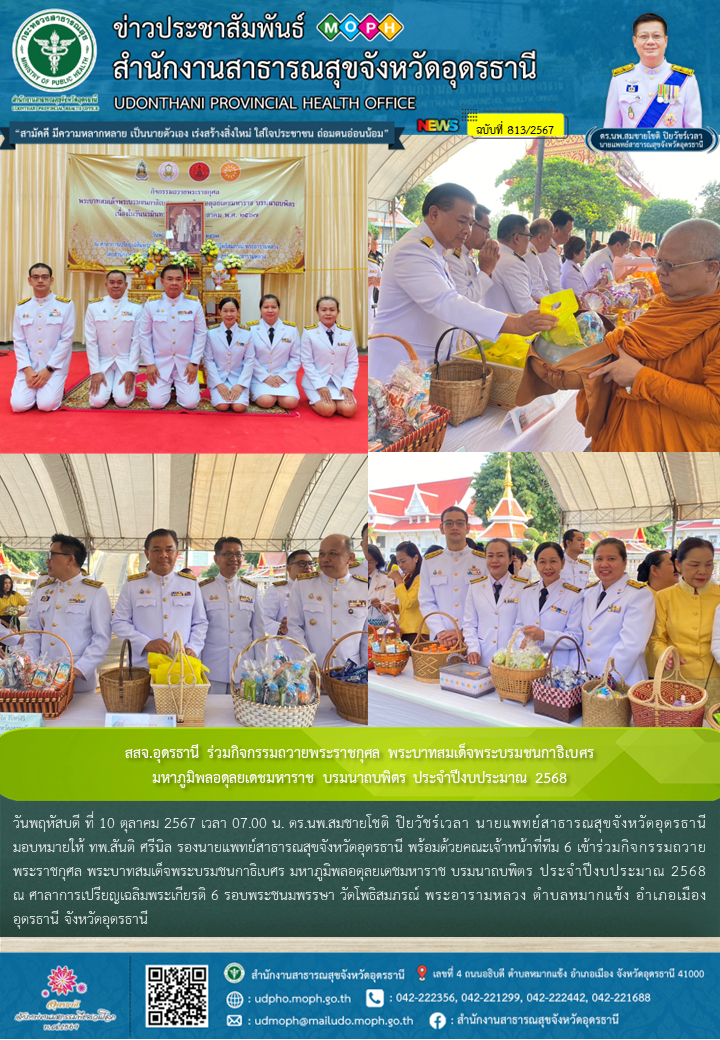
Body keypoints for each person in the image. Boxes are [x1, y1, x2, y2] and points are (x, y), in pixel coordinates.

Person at [369, 183, 557, 380]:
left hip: (422, 363)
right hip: (399, 365)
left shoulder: (437, 251)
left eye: (470, 224)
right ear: (434, 214)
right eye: (462, 221)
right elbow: (446, 302)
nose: (467, 230)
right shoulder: (413, 250)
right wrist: (515, 325)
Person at [585, 218, 720, 449]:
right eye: (659, 261)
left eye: (671, 266)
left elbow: (715, 405)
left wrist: (640, 378)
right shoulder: (660, 306)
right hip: (623, 436)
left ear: (711, 269)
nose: (659, 271)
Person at [23, 534, 111, 694]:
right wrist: (29, 664)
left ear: (70, 559)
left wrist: (79, 669)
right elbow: (33, 633)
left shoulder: (94, 591)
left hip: (77, 683)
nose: (47, 561)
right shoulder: (44, 589)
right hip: (41, 680)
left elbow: (101, 638)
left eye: (51, 555)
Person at [111, 528, 208, 668]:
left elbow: (200, 622)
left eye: (169, 550)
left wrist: (193, 647)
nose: (163, 555)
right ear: (147, 554)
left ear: (177, 553)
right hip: (143, 666)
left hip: (181, 665)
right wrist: (146, 643)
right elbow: (119, 622)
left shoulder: (190, 584)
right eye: (157, 550)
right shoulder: (133, 585)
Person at [604, 13, 702, 129]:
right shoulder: (619, 80)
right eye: (644, 36)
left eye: (656, 36)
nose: (650, 42)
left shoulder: (686, 80)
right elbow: (610, 133)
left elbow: (694, 134)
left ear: (665, 41)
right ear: (634, 41)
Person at [649, 537, 720, 697]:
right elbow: (656, 639)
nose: (703, 571)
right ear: (678, 565)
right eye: (694, 565)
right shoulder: (664, 597)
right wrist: (664, 654)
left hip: (716, 677)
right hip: (676, 677)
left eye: (709, 564)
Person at [580, 537, 655, 682]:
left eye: (612, 559)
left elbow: (631, 645)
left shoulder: (639, 594)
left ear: (625, 562)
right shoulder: (588, 593)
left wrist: (608, 678)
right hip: (588, 677)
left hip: (622, 679)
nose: (604, 564)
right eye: (599, 559)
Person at [286, 533, 368, 667]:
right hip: (315, 668)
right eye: (321, 554)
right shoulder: (303, 584)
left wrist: (364, 670)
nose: (324, 559)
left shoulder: (363, 587)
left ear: (350, 558)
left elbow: (365, 635)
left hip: (351, 671)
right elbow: (295, 626)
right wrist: (307, 665)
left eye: (333, 554)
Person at [199, 537, 265, 694]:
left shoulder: (252, 590)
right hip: (212, 668)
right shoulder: (203, 589)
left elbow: (259, 632)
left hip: (245, 669)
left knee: (244, 716)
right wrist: (196, 668)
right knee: (212, 715)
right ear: (216, 559)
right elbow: (198, 631)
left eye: (238, 554)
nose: (234, 559)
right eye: (228, 554)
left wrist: (260, 669)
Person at [139, 264, 206, 410]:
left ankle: (178, 386)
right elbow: (144, 335)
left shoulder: (194, 304)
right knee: (156, 404)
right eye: (170, 279)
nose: (174, 283)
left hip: (185, 364)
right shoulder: (152, 304)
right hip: (160, 364)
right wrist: (149, 363)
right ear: (162, 281)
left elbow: (201, 334)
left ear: (184, 282)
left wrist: (194, 362)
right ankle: (168, 386)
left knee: (191, 403)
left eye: (178, 279)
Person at [11, 263, 75, 412]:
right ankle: (39, 389)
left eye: (44, 277)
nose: (40, 280)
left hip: (54, 367)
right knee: (18, 406)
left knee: (46, 405)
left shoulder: (65, 306)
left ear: (51, 280)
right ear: (29, 281)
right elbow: (19, 341)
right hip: (29, 366)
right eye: (36, 277)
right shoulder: (22, 307)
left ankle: (57, 386)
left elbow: (66, 341)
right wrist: (27, 370)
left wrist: (49, 369)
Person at [419, 507, 487, 646]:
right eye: (449, 523)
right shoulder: (430, 562)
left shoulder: (482, 561)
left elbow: (487, 602)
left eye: (460, 523)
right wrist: (441, 632)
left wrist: (463, 632)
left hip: (474, 639)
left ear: (467, 528)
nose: (454, 527)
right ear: (442, 528)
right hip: (442, 641)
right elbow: (426, 601)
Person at [516, 541, 584, 667]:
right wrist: (521, 641)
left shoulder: (574, 596)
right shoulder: (527, 592)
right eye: (542, 562)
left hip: (556, 668)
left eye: (553, 561)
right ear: (536, 564)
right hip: (527, 666)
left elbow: (575, 637)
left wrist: (544, 636)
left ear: (562, 563)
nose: (548, 567)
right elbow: (518, 626)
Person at [465, 538, 528, 666]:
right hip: (482, 657)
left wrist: (515, 651)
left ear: (510, 559)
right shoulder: (475, 587)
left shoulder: (523, 588)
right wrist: (473, 648)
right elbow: (469, 623)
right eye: (490, 556)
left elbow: (523, 625)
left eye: (500, 556)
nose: (494, 560)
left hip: (513, 659)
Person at [85, 270, 142, 409]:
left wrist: (131, 370)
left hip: (125, 361)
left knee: (122, 401)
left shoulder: (136, 307)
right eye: (112, 282)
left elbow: (137, 342)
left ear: (126, 285)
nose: (115, 285)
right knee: (97, 402)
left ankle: (115, 388)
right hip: (103, 362)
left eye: (119, 282)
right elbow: (91, 341)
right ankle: (109, 387)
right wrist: (95, 371)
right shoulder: (94, 307)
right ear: (106, 284)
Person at [300, 296, 358, 418]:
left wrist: (347, 385)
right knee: (328, 410)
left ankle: (336, 399)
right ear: (317, 312)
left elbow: (353, 363)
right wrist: (320, 386)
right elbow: (307, 362)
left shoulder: (347, 333)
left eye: (332, 310)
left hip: (339, 382)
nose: (328, 313)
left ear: (338, 312)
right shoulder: (309, 333)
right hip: (316, 381)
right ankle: (314, 401)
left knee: (349, 410)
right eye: (323, 309)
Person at [247, 294, 300, 409]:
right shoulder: (251, 329)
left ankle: (280, 396)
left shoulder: (291, 330)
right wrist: (265, 377)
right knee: (266, 401)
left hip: (285, 377)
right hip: (260, 377)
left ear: (279, 309)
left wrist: (282, 377)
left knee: (290, 403)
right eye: (266, 307)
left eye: (274, 307)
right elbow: (250, 357)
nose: (270, 310)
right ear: (260, 310)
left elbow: (296, 357)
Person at [202, 297, 254, 413]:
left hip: (238, 379)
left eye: (232, 310)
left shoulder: (246, 334)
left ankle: (241, 390)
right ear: (219, 312)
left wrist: (240, 385)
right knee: (222, 406)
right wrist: (218, 384)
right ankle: (217, 392)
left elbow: (249, 361)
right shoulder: (211, 333)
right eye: (225, 311)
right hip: (219, 379)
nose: (229, 314)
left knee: (238, 407)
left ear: (238, 311)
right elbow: (208, 360)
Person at [483, 214, 537, 315]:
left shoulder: (497, 256)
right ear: (517, 238)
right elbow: (526, 308)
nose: (529, 241)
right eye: (528, 236)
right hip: (509, 329)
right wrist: (552, 312)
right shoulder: (513, 263)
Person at [445, 203, 499, 303]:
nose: (488, 236)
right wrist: (486, 271)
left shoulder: (466, 256)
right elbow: (463, 302)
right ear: (471, 224)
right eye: (486, 230)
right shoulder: (453, 257)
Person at [638, 547, 679, 675]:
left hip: (676, 667)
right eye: (671, 564)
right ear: (654, 570)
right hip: (646, 667)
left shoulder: (681, 594)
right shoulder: (638, 595)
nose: (677, 567)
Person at [262, 549, 315, 637]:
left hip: (312, 648)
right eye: (302, 563)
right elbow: (264, 619)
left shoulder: (318, 591)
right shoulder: (276, 591)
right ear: (289, 568)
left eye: (310, 563)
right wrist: (280, 629)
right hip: (286, 647)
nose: (307, 567)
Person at [381, 541, 427, 643]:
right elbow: (409, 605)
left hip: (418, 632)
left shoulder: (422, 578)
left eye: (403, 561)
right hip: (406, 630)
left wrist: (398, 580)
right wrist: (396, 608)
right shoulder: (409, 577)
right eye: (398, 562)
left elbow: (409, 603)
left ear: (416, 558)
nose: (400, 565)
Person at [541, 210, 574, 293]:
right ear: (556, 230)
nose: (570, 235)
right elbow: (553, 287)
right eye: (568, 231)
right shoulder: (547, 250)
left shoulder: (552, 248)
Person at [526, 218, 553, 301]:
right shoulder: (529, 256)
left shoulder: (533, 254)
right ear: (540, 237)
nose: (551, 242)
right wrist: (557, 303)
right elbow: (535, 292)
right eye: (550, 237)